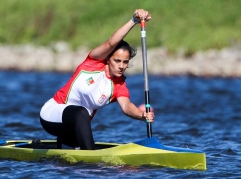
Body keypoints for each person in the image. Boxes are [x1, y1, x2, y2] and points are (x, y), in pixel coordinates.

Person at [39, 9, 154, 150]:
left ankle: (42, 146)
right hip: (52, 114)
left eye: (125, 62)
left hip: (74, 129)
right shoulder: (92, 63)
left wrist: (142, 115)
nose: (121, 66)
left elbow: (126, 107)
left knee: (70, 164)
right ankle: (91, 158)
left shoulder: (119, 85)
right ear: (107, 58)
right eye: (117, 61)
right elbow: (111, 43)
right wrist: (134, 21)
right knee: (81, 112)